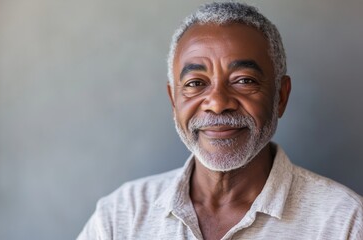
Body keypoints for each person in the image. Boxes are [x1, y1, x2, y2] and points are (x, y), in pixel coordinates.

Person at [77, 2, 362, 239]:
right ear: (173, 100)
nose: (217, 102)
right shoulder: (118, 219)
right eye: (195, 83)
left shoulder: (345, 222)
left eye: (244, 80)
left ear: (281, 97)